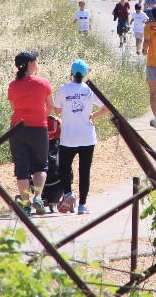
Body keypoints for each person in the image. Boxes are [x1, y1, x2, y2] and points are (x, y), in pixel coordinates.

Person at [53, 59, 108, 215]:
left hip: (68, 137)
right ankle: (83, 205)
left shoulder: (64, 89)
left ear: (71, 73)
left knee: (63, 168)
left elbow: (56, 110)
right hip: (87, 137)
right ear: (85, 74)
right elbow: (107, 107)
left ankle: (68, 194)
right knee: (84, 171)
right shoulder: (89, 91)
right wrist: (93, 115)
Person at [8, 51, 54, 216]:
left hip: (17, 128)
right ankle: (38, 197)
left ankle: (26, 205)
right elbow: (50, 106)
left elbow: (14, 107)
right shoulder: (43, 83)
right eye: (35, 60)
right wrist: (42, 114)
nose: (37, 62)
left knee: (21, 168)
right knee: (41, 165)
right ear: (29, 64)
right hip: (38, 127)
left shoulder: (13, 85)